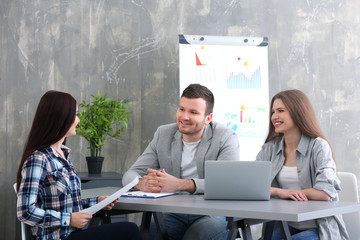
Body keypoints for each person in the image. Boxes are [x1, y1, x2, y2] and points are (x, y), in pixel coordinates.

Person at [16, 90, 142, 240]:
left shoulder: (63, 155)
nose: (78, 120)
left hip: (75, 234)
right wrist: (68, 219)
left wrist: (97, 201)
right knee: (129, 230)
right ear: (60, 118)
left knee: (128, 230)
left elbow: (66, 203)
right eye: (75, 115)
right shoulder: (38, 159)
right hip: (57, 238)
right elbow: (24, 212)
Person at [122, 83, 240, 240]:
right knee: (142, 235)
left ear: (208, 118)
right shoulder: (163, 134)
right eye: (181, 109)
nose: (184, 117)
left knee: (193, 237)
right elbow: (129, 175)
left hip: (213, 212)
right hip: (174, 212)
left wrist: (180, 184)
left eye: (193, 112)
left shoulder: (225, 137)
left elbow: (226, 183)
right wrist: (140, 184)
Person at [256, 89, 349, 240]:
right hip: (284, 224)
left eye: (280, 111)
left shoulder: (319, 146)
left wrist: (283, 194)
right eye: (273, 112)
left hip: (317, 226)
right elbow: (253, 185)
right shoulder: (270, 148)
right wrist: (280, 192)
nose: (274, 117)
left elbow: (325, 192)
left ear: (298, 112)